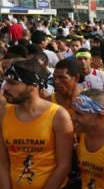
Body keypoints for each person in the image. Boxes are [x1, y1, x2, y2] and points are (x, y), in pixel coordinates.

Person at [0, 59, 74, 189]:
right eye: (5, 81)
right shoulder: (3, 113)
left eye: (12, 83)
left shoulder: (58, 116)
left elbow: (63, 166)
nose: (5, 88)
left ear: (32, 86)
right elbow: (2, 163)